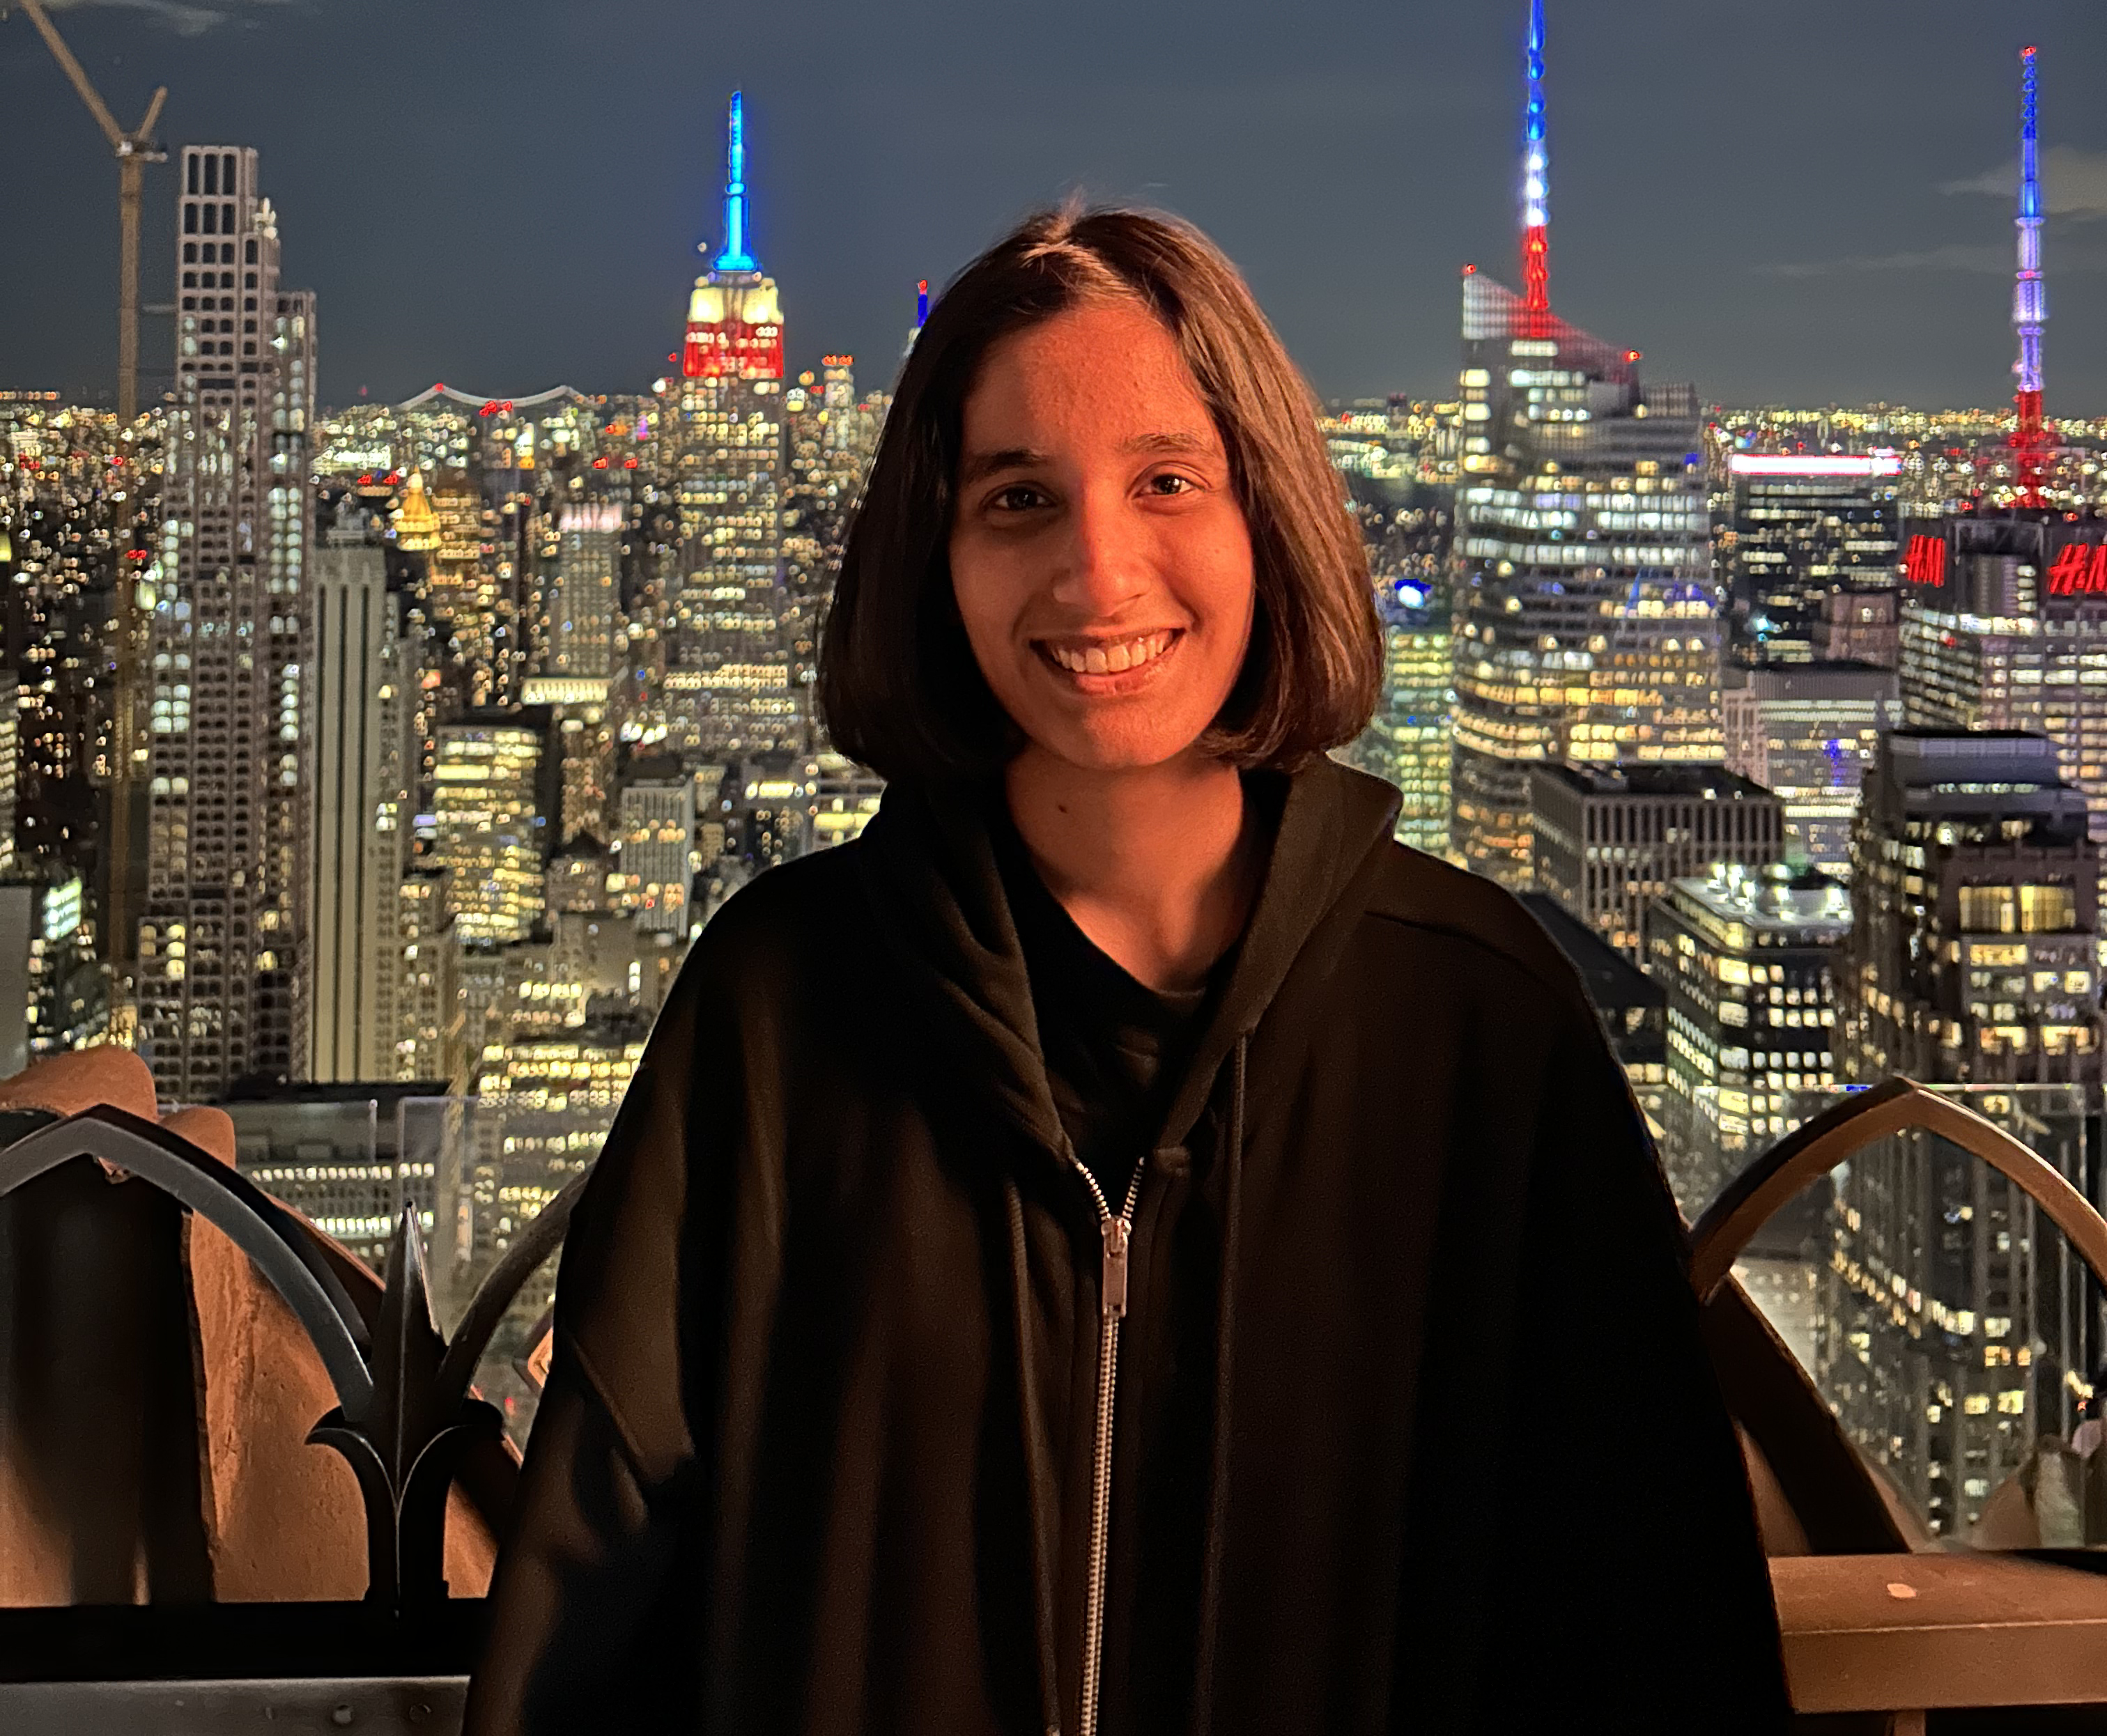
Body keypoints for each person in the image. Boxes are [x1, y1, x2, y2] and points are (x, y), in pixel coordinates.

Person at [467, 206, 1788, 1735]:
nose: (1100, 574)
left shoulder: (1479, 1027)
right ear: (936, 556)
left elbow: (1654, 1628)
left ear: (1265, 519)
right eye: (1018, 498)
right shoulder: (782, 1009)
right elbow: (588, 1624)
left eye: (1168, 481)